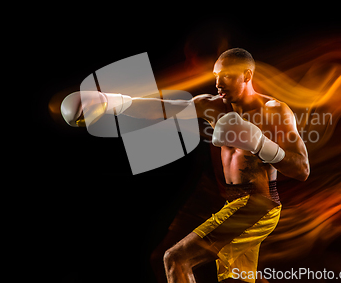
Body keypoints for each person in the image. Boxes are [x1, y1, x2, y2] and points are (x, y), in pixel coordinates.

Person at [61, 48, 310, 283]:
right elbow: (161, 109)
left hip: (258, 204)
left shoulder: (274, 111)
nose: (218, 83)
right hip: (235, 202)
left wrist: (260, 144)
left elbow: (302, 169)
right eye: (216, 76)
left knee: (175, 258)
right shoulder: (211, 106)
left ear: (247, 75)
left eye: (226, 76)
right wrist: (111, 101)